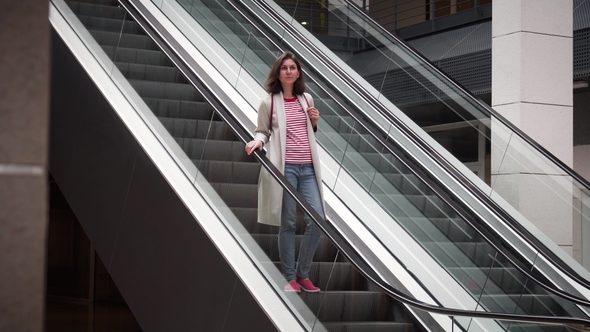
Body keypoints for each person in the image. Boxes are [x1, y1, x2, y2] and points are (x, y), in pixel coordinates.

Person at [245, 51, 325, 293]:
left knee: (318, 220)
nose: (289, 71)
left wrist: (314, 121)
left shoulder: (306, 99)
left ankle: (303, 274)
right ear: (278, 72)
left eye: (293, 67)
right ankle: (290, 277)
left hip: (309, 168)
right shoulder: (268, 102)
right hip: (286, 168)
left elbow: (309, 132)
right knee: (288, 223)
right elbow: (263, 130)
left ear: (298, 72)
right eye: (284, 67)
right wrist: (258, 141)